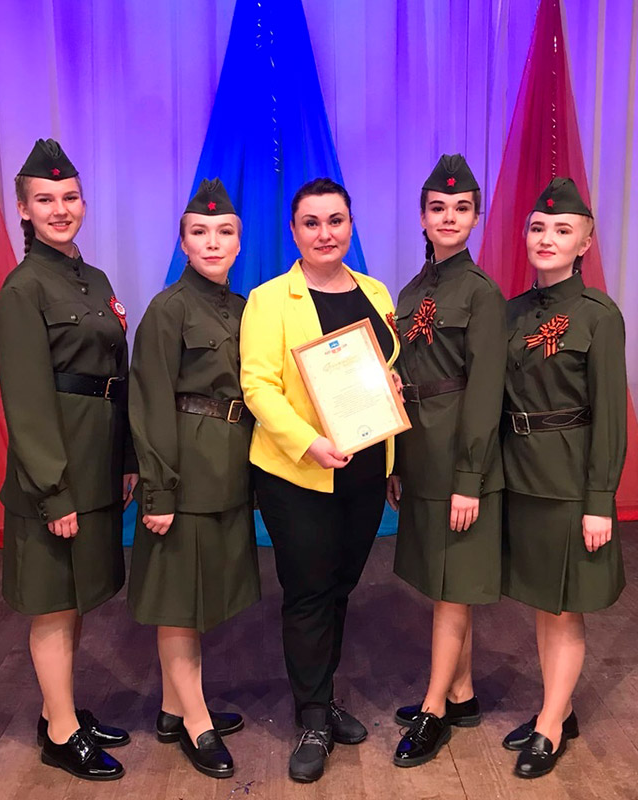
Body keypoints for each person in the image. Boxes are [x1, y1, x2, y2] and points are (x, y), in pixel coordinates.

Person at [239, 177, 399, 784]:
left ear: (351, 225)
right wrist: (309, 442)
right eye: (312, 223)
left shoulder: (376, 292)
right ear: (294, 231)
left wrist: (392, 390)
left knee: (340, 587)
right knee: (308, 591)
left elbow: (387, 369)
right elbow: (258, 386)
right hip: (299, 472)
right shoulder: (268, 300)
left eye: (336, 221)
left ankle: (323, 696)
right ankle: (310, 717)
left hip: (364, 468)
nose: (325, 233)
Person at [0, 139, 138, 781]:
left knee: (77, 597)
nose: (61, 209)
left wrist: (126, 455)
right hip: (53, 471)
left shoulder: (94, 280)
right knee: (54, 603)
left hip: (96, 461)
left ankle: (64, 709)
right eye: (45, 199)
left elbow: (116, 375)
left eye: (70, 197)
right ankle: (59, 733)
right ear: (23, 210)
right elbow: (26, 401)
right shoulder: (23, 289)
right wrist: (53, 491)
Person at [127, 178, 258, 779]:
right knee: (179, 602)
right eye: (200, 232)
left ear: (238, 242)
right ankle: (198, 722)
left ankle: (171, 708)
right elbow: (150, 402)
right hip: (184, 471)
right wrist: (158, 488)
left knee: (199, 594)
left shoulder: (246, 309)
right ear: (183, 242)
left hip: (229, 468)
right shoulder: (168, 308)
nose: (212, 242)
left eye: (224, 232)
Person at [500, 177, 627, 779]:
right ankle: (561, 706)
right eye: (538, 227)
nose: (546, 237)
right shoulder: (511, 313)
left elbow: (609, 415)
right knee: (543, 602)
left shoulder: (600, 316)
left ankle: (549, 725)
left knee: (566, 607)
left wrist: (600, 500)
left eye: (562, 229)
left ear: (585, 243)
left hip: (571, 483)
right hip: (520, 477)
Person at [386, 154, 507, 767]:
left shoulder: (482, 293)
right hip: (422, 454)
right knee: (444, 583)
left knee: (452, 587)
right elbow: (403, 379)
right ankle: (461, 693)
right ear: (423, 217)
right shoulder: (412, 292)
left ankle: (433, 708)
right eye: (438, 208)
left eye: (462, 209)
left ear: (476, 218)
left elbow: (484, 393)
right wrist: (398, 464)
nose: (450, 217)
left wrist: (470, 479)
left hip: (460, 455)